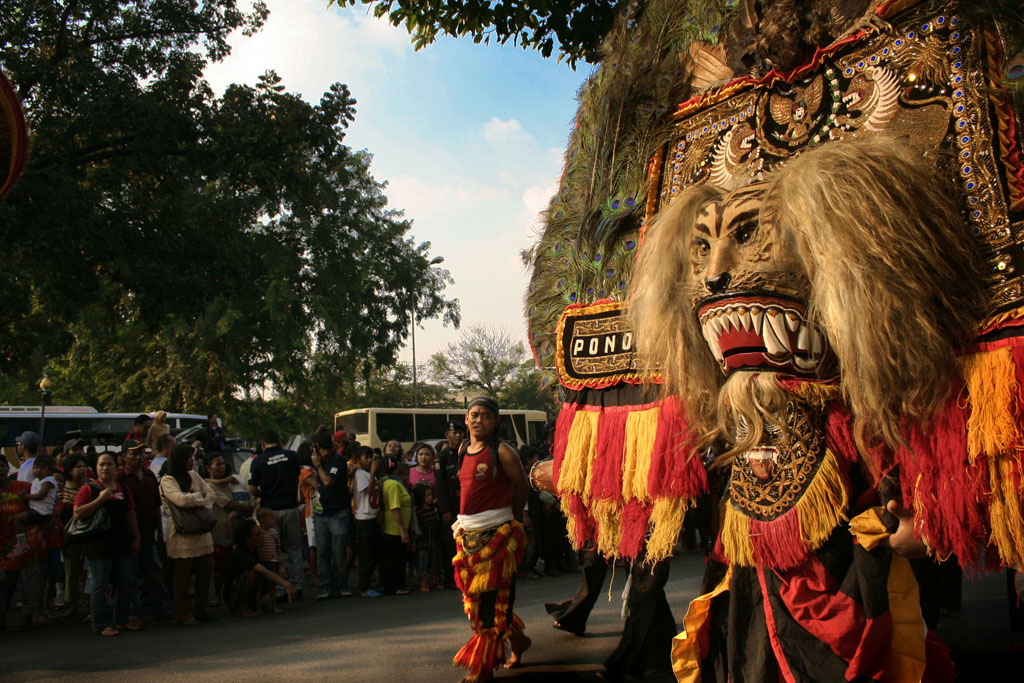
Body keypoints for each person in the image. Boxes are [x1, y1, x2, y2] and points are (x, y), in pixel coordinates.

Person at [451, 396, 532, 682]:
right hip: (468, 537)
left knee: (491, 601)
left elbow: (522, 486)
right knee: (477, 599)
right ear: (466, 419)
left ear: (496, 421)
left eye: (485, 415)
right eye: (474, 414)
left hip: (498, 537)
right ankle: (519, 641)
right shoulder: (462, 449)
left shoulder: (503, 451)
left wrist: (513, 522)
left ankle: (483, 668)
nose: (478, 419)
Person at [73, 452, 141, 636]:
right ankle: (101, 623)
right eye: (102, 464)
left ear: (116, 467)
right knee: (100, 584)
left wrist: (137, 537)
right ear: (95, 467)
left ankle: (122, 619)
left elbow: (130, 513)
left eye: (109, 464)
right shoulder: (89, 489)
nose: (106, 468)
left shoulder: (122, 488)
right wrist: (100, 499)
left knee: (126, 582)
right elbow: (78, 513)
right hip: (99, 546)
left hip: (122, 544)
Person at [160, 444, 215, 625]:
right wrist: (198, 498)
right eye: (189, 458)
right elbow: (180, 500)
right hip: (181, 533)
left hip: (200, 530)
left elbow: (210, 494)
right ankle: (183, 611)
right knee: (182, 577)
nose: (192, 461)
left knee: (205, 571)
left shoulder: (193, 475)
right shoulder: (167, 480)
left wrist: (195, 498)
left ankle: (201, 610)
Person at [117, 439, 171, 622]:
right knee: (130, 577)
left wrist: (160, 531)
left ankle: (162, 609)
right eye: (134, 453)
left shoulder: (149, 476)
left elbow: (156, 505)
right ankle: (132, 613)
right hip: (128, 536)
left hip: (149, 534)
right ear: (124, 456)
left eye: (141, 453)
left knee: (155, 573)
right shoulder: (120, 479)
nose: (139, 457)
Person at [247, 429, 303, 597]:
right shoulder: (291, 455)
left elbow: (252, 488)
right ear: (279, 441)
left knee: (273, 550)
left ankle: (279, 589)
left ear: (263, 444)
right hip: (290, 507)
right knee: (294, 548)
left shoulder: (258, 461)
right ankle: (297, 584)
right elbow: (297, 477)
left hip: (270, 510)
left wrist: (261, 494)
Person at [0, 457, 46, 631]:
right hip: (3, 546)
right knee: (3, 582)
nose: (0, 469)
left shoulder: (22, 488)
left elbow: (42, 506)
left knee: (29, 582)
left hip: (27, 543)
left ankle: (27, 619)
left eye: (2, 466)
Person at [311, 431, 354, 599]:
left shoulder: (337, 460)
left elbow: (328, 481)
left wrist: (317, 466)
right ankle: (325, 586)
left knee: (338, 551)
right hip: (320, 511)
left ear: (317, 446)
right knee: (322, 551)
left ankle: (341, 584)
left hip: (338, 511)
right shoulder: (317, 460)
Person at [223, 518, 296, 616]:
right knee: (256, 573)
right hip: (233, 594)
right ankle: (242, 606)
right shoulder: (241, 554)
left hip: (247, 586)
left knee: (274, 570)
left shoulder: (258, 548)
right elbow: (263, 571)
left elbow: (275, 560)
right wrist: (287, 584)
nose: (262, 536)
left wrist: (281, 566)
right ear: (246, 539)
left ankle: (254, 604)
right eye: (257, 535)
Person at [205, 452, 252, 604]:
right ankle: (217, 595)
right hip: (220, 531)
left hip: (238, 527)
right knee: (219, 567)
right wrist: (246, 508)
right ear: (208, 468)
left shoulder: (229, 481)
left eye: (222, 464)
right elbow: (228, 504)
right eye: (217, 464)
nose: (221, 467)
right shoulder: (210, 486)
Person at [59, 453, 91, 617]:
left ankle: (91, 602)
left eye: (84, 466)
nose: (82, 469)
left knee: (91, 570)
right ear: (69, 470)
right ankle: (73, 604)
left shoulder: (92, 485)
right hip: (71, 536)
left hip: (91, 534)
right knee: (72, 571)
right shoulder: (62, 490)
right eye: (78, 467)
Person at [8, 454, 57, 558]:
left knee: (17, 519)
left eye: (42, 468)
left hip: (41, 512)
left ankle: (22, 544)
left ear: (50, 470)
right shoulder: (36, 481)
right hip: (38, 511)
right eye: (36, 468)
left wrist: (26, 496)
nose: (38, 470)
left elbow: (40, 495)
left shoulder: (48, 480)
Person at [350, 446, 382, 598]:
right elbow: (368, 490)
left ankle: (369, 582)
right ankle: (365, 587)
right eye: (366, 458)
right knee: (366, 554)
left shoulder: (369, 474)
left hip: (373, 516)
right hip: (364, 518)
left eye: (371, 458)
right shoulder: (360, 474)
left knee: (374, 553)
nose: (369, 461)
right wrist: (374, 471)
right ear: (358, 460)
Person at [380, 463, 412, 596]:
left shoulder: (388, 482)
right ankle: (396, 586)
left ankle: (395, 585)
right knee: (396, 559)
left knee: (395, 557)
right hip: (394, 528)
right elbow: (395, 508)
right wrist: (402, 530)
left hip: (394, 526)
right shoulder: (393, 485)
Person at [297, 442, 318, 589]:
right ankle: (314, 575)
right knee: (314, 545)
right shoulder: (305, 472)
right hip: (312, 510)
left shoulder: (309, 470)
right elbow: (319, 485)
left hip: (316, 508)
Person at [256, 507, 286, 613]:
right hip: (262, 561)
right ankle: (257, 607)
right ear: (262, 520)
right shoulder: (258, 532)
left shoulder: (274, 532)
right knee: (259, 585)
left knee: (272, 585)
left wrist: (280, 558)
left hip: (272, 561)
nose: (274, 521)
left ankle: (273, 605)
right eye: (271, 519)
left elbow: (278, 546)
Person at [413, 481, 440, 592]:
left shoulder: (433, 509)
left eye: (431, 495)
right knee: (423, 561)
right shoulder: (418, 511)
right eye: (427, 496)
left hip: (433, 539)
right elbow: (416, 527)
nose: (430, 498)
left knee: (433, 561)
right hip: (423, 541)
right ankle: (423, 581)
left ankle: (434, 580)